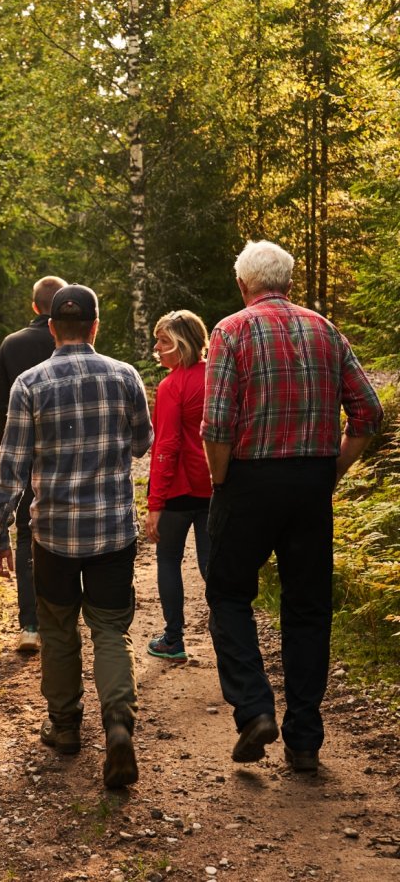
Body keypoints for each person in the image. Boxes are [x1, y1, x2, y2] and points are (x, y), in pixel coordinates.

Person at [201, 241, 383, 772]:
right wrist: (334, 469)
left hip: (249, 480)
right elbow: (368, 412)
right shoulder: (326, 330)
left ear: (244, 285)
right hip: (310, 483)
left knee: (229, 593)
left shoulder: (230, 331)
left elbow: (216, 425)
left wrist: (221, 479)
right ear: (288, 281)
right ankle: (305, 737)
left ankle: (255, 708)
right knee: (307, 607)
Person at [0, 284, 153, 789]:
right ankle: (119, 725)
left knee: (58, 629)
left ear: (53, 328)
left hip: (53, 534)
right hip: (112, 531)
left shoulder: (30, 384)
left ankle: (64, 729)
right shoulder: (126, 376)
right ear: (96, 327)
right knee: (109, 629)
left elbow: (12, 467)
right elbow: (143, 442)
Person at [0, 275, 68, 653]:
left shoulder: (12, 344)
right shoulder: (74, 339)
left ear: (35, 306)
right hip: (70, 459)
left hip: (27, 459)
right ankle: (66, 621)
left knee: (27, 536)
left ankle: (30, 626)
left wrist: (12, 456)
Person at [145, 310, 212, 665]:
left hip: (178, 490)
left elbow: (166, 446)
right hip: (215, 486)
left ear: (183, 345)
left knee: (168, 558)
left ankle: (173, 640)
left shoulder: (172, 386)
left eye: (164, 342)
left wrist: (155, 502)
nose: (157, 348)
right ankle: (226, 631)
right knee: (210, 563)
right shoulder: (218, 376)